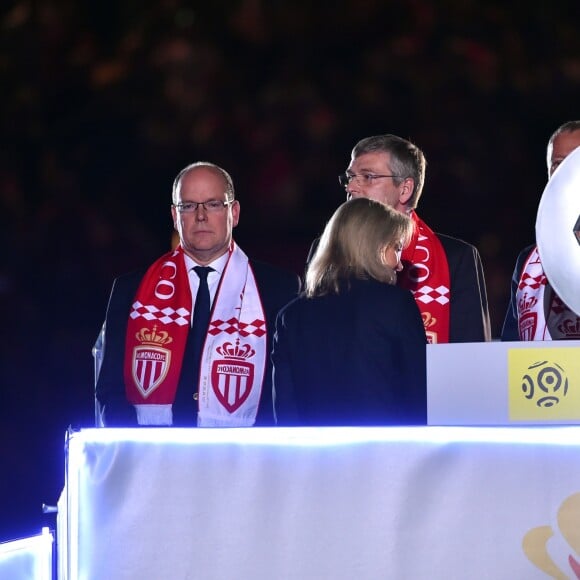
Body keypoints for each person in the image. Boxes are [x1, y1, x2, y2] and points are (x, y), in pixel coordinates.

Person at [95, 161, 300, 427]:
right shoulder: (130, 289)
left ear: (234, 212)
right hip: (154, 455)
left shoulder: (279, 288)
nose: (200, 215)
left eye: (213, 204)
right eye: (189, 206)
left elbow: (288, 392)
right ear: (174, 215)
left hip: (244, 458)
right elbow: (110, 389)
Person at [273, 197, 427, 426]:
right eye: (396, 248)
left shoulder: (291, 316)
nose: (400, 264)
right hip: (387, 456)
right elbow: (420, 397)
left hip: (314, 458)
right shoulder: (396, 304)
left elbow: (285, 414)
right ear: (374, 246)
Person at [326, 134, 491, 343]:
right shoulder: (326, 250)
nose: (351, 188)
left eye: (367, 177)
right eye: (350, 177)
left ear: (405, 189)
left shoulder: (456, 258)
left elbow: (471, 358)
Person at [501, 121, 580, 341]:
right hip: (550, 374)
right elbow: (511, 347)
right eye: (558, 164)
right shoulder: (529, 261)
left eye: (576, 162)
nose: (566, 172)